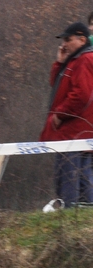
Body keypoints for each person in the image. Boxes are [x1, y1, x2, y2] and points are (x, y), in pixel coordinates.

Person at [40, 22, 93, 207]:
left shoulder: (85, 60)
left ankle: (69, 213)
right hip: (76, 132)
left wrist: (59, 115)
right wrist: (60, 63)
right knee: (82, 177)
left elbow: (82, 95)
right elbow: (57, 86)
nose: (64, 44)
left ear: (82, 40)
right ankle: (82, 214)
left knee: (68, 178)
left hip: (74, 131)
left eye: (68, 40)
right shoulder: (74, 60)